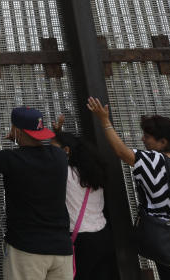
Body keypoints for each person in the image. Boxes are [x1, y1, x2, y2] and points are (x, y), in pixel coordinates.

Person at [88, 97, 170, 280]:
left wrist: (104, 121)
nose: (143, 139)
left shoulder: (152, 160)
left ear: (163, 142)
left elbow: (120, 151)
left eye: (147, 136)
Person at [0, 101, 73, 280]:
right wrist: (21, 140)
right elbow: (46, 147)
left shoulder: (11, 159)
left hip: (27, 248)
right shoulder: (59, 156)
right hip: (61, 249)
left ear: (17, 131)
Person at [51, 115, 115, 280]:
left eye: (51, 150)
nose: (48, 155)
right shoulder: (92, 172)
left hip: (80, 239)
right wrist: (58, 133)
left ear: (66, 151)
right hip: (102, 234)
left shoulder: (64, 173)